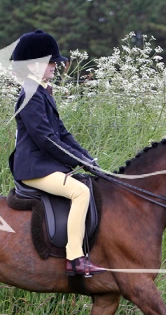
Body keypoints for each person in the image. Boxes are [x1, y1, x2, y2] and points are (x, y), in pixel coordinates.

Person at [9, 30, 106, 277]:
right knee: (80, 192)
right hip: (34, 168)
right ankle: (74, 258)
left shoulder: (42, 91)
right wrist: (77, 161)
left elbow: (62, 133)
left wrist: (87, 159)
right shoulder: (31, 95)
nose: (55, 65)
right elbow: (46, 139)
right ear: (33, 65)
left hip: (45, 165)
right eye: (50, 61)